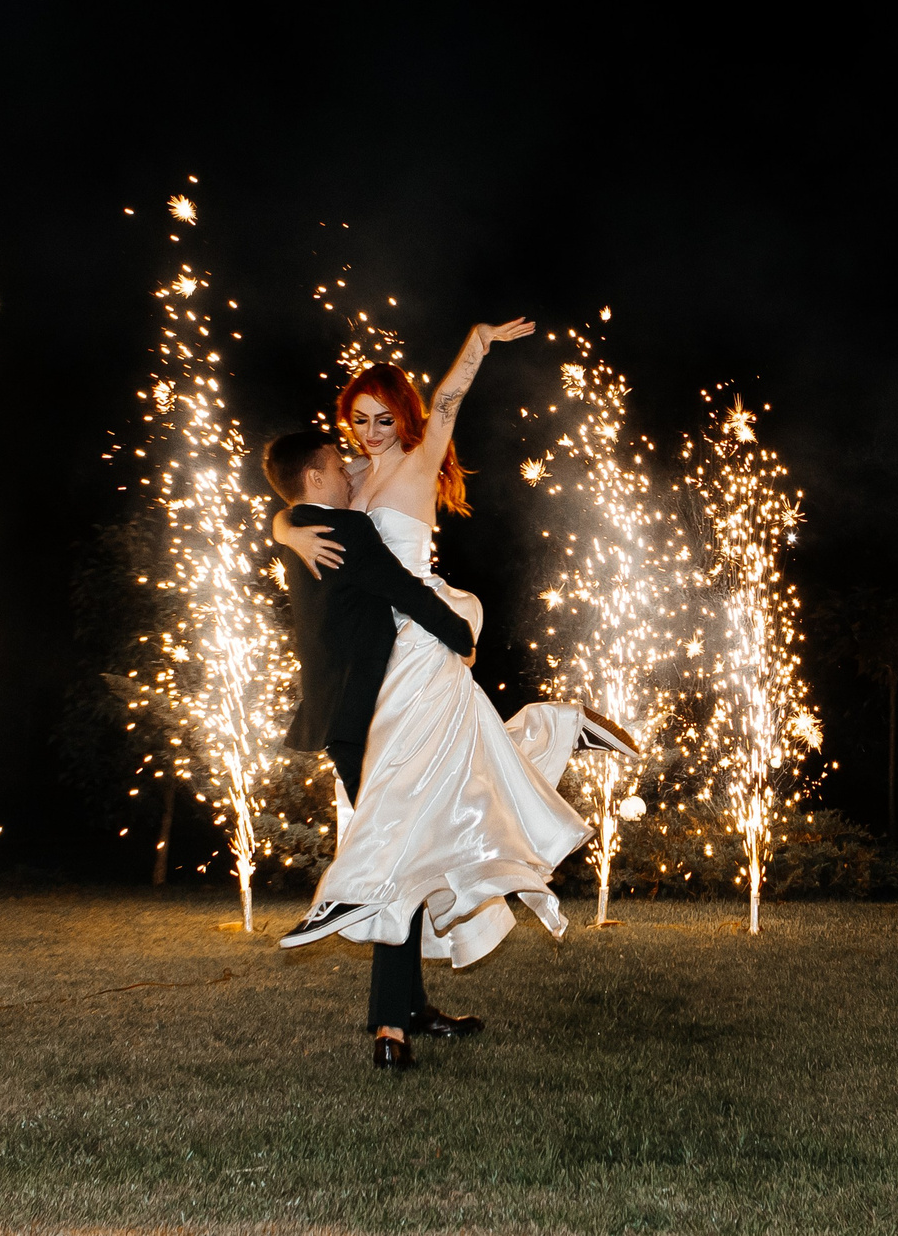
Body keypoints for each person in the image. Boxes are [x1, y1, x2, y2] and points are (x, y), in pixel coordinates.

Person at [271, 319, 638, 1072]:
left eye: (383, 419)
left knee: (405, 829)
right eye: (359, 420)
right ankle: (556, 727)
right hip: (380, 667)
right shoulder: (351, 479)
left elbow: (446, 404)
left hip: (422, 646)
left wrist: (475, 343)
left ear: (401, 417)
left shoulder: (414, 461)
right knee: (447, 801)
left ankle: (392, 1021)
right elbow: (298, 494)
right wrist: (286, 529)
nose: (370, 433)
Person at [259, 427, 482, 1068]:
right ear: (316, 477)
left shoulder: (301, 531)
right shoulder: (347, 531)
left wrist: (283, 524)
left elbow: (318, 493)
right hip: (367, 720)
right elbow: (404, 588)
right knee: (399, 860)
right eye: (336, 465)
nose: (346, 471)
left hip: (340, 720)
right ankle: (391, 1026)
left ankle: (409, 1008)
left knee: (399, 848)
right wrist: (461, 633)